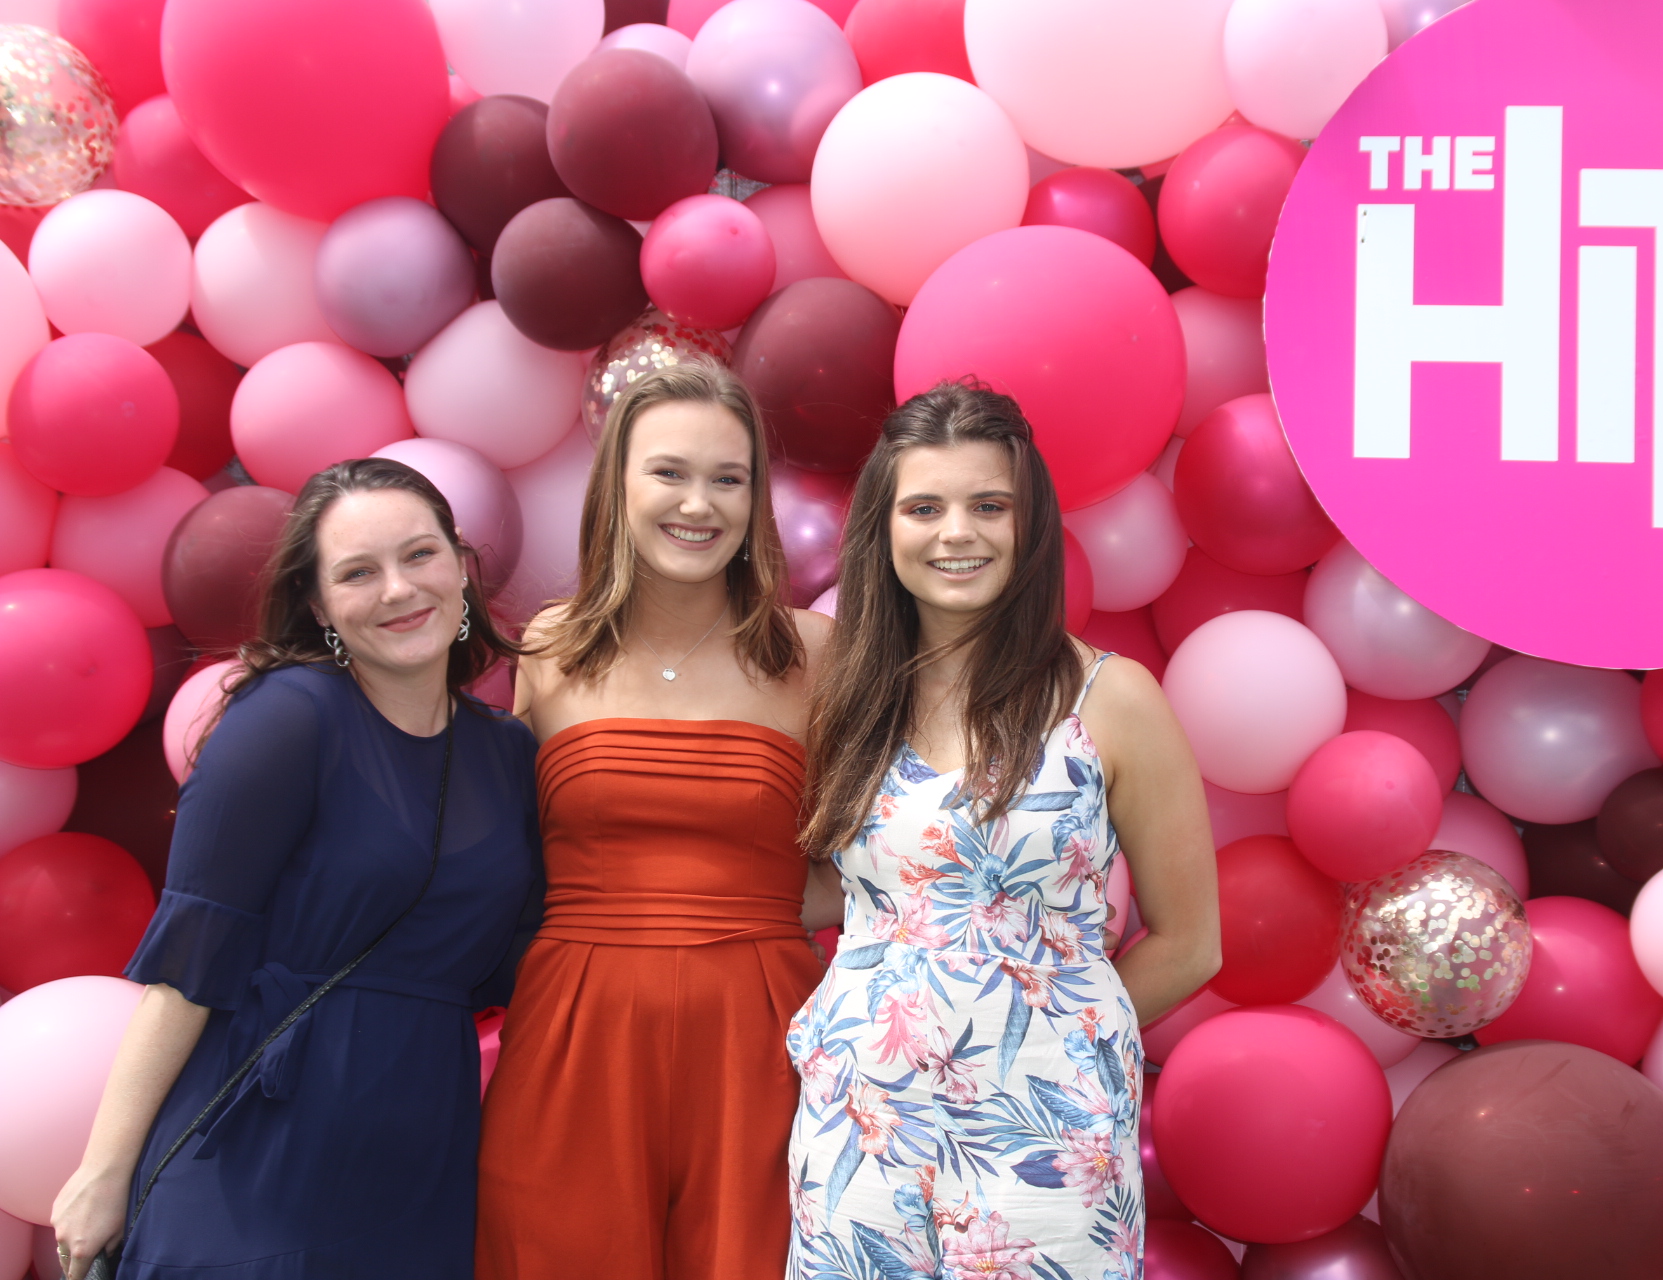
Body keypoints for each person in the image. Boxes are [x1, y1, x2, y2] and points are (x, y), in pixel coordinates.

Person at [50, 458, 544, 1280]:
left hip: (421, 1154)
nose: (398, 589)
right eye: (358, 572)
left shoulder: (507, 754)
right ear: (319, 606)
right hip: (256, 1139)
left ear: (461, 566)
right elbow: (190, 964)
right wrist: (103, 1172)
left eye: (419, 555)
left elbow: (523, 960)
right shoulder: (285, 717)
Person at [787, 382, 1222, 1280]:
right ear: (883, 529)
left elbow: (1191, 943)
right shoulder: (846, 698)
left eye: (989, 505)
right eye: (924, 508)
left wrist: (1053, 1035)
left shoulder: (1112, 699)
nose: (958, 533)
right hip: (859, 1122)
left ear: (1031, 525)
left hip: (1045, 1134)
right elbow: (851, 889)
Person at [476, 359, 835, 1280]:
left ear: (756, 499)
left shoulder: (818, 651)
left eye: (728, 479)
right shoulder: (549, 647)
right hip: (575, 1029)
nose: (699, 504)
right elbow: (505, 855)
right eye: (669, 472)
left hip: (761, 1034)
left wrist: (752, 907)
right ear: (618, 485)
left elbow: (887, 855)